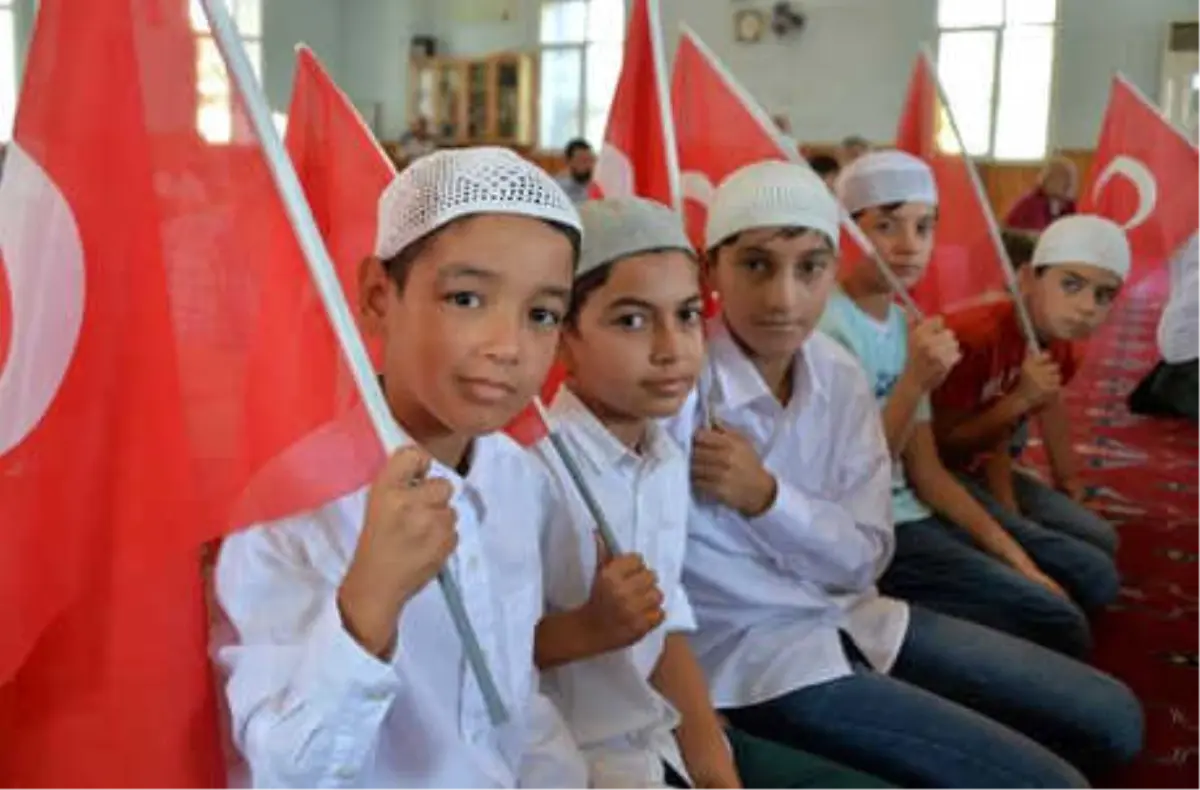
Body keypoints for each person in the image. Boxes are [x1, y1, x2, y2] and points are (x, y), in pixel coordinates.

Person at [666, 160, 1142, 789]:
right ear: (711, 271)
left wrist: (769, 499)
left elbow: (865, 555)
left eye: (809, 267)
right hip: (757, 662)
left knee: (1113, 720)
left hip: (858, 617)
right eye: (756, 264)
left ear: (833, 270)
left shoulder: (836, 372)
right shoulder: (676, 389)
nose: (783, 298)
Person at [211, 148, 589, 789]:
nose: (509, 347)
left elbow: (514, 708)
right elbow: (288, 773)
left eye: (541, 315)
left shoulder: (519, 480)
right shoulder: (289, 506)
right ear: (379, 299)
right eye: (467, 298)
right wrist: (369, 604)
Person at [533, 197, 895, 790]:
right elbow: (473, 659)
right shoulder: (537, 469)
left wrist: (715, 766)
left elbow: (664, 621)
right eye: (631, 320)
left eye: (687, 316)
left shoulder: (664, 454)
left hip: (663, 735)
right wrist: (585, 631)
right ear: (564, 333)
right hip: (578, 758)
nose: (671, 348)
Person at [820, 151, 1117, 659]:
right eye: (886, 226)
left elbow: (928, 471)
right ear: (848, 231)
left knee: (1076, 585)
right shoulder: (828, 327)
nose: (908, 246)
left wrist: (1014, 555)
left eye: (924, 227)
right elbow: (850, 477)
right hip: (870, 529)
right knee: (1059, 622)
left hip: (915, 511)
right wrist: (914, 382)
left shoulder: (902, 326)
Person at [933, 215, 1132, 557]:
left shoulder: (1062, 343)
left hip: (989, 463)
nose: (1087, 307)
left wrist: (1067, 480)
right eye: (1071, 285)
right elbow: (941, 447)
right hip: (941, 474)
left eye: (1103, 295)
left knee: (1102, 539)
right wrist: (1019, 400)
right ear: (1027, 278)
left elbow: (1043, 408)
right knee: (1089, 571)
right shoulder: (973, 338)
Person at [1004, 156, 1078, 232]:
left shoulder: (1068, 206)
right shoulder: (1031, 204)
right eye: (1064, 177)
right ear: (1048, 178)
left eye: (1072, 178)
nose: (1070, 183)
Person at [557, 138, 596, 205]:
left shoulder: (597, 185)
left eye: (590, 160)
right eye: (582, 161)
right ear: (568, 162)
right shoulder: (558, 188)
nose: (588, 165)